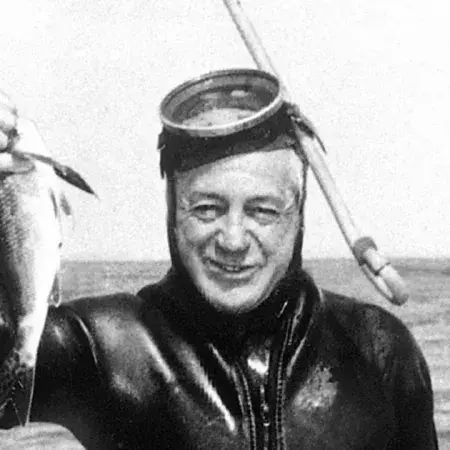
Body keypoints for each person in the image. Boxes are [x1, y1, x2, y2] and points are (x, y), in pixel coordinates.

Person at [0, 69, 438, 449]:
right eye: (206, 208)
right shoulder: (104, 347)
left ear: (299, 215)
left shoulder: (377, 349)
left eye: (263, 211)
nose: (232, 239)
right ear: (173, 212)